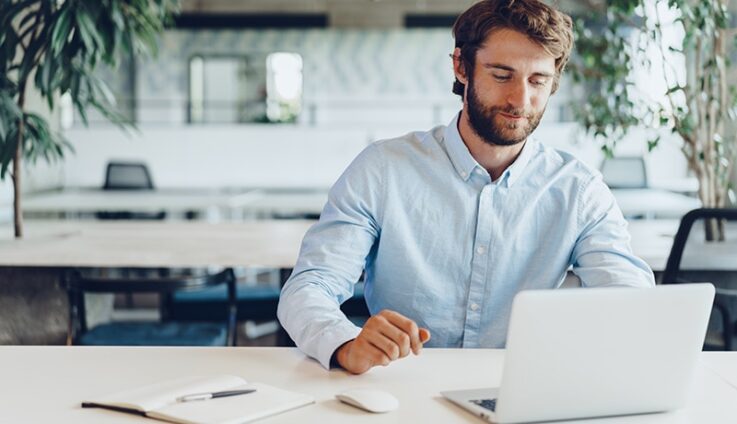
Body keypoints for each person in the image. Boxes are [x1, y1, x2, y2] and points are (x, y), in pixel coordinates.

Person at [277, 0, 655, 375]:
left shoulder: (579, 190)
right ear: (461, 67)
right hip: (402, 384)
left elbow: (628, 298)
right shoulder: (382, 170)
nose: (520, 100)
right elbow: (309, 288)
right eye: (502, 75)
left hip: (521, 388)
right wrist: (344, 343)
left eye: (537, 80)